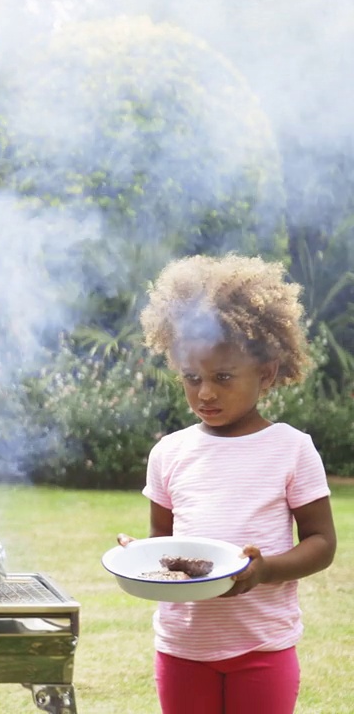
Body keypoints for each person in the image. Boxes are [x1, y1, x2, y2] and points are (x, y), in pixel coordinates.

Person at [135, 254, 337, 714]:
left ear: (265, 374)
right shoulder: (168, 453)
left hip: (262, 648)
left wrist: (266, 571)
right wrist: (139, 558)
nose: (205, 393)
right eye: (192, 378)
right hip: (185, 647)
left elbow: (323, 542)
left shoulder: (291, 448)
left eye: (223, 378)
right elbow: (161, 545)